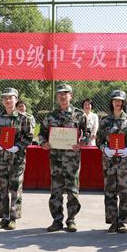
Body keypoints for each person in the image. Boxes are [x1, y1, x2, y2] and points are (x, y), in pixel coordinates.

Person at [38, 84, 90, 232]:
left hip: (72, 159)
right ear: (57, 97)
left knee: (73, 191)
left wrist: (81, 143)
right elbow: (41, 133)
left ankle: (71, 219)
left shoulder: (79, 114)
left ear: (71, 96)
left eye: (65, 93)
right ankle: (57, 220)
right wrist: (43, 143)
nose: (62, 96)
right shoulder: (50, 116)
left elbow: (87, 133)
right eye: (60, 94)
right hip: (55, 159)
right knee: (56, 191)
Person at [0, 88, 34, 230]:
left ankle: (13, 218)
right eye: (5, 98)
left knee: (15, 188)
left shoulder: (23, 118)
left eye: (10, 97)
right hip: (0, 158)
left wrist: (18, 147)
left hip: (16, 159)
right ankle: (4, 217)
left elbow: (29, 137)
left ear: (16, 99)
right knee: (1, 188)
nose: (7, 100)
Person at [96, 90, 127, 233]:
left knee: (124, 193)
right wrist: (104, 149)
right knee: (109, 192)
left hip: (125, 162)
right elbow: (98, 141)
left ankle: (122, 221)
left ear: (123, 102)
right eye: (115, 100)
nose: (117, 102)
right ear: (111, 102)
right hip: (109, 162)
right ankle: (112, 221)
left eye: (120, 100)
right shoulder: (105, 121)